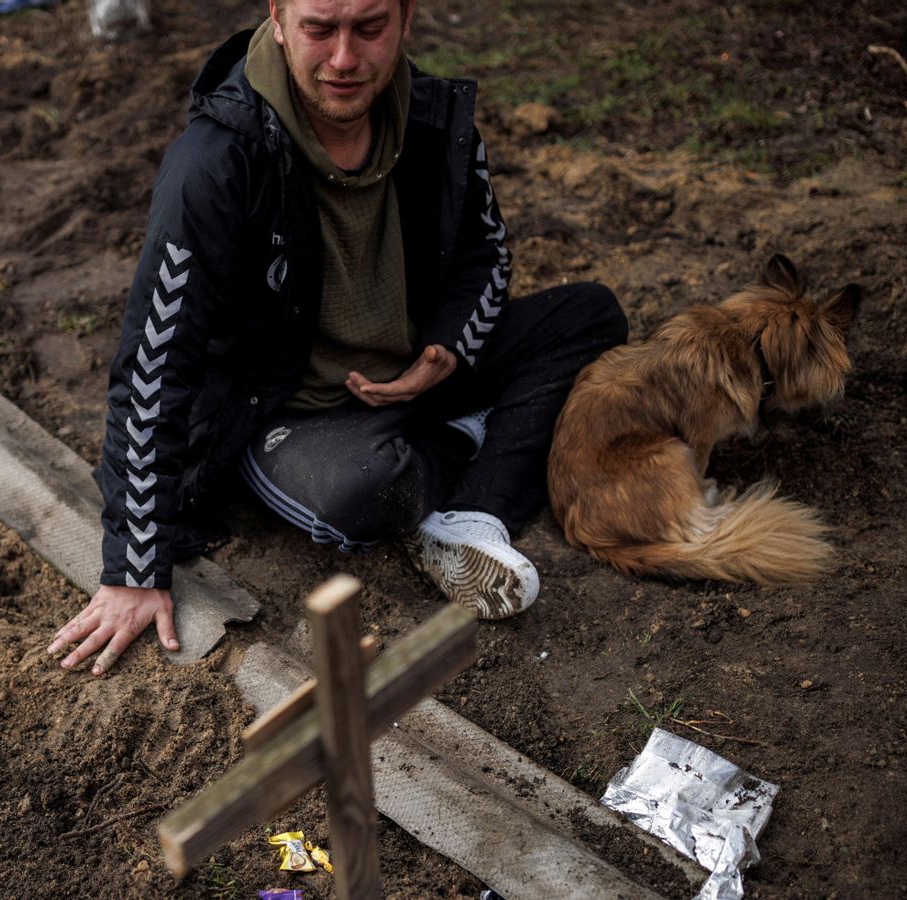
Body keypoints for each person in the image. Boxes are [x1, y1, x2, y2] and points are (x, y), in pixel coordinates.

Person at [47, 0, 627, 675]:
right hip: (288, 411)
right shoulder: (215, 162)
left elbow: (484, 256)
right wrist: (134, 567)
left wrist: (445, 348)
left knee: (591, 314)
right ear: (280, 18)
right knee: (361, 494)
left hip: (415, 369)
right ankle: (469, 435)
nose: (346, 59)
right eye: (320, 29)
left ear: (408, 18)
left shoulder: (438, 119)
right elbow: (153, 361)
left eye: (370, 28)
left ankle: (474, 513)